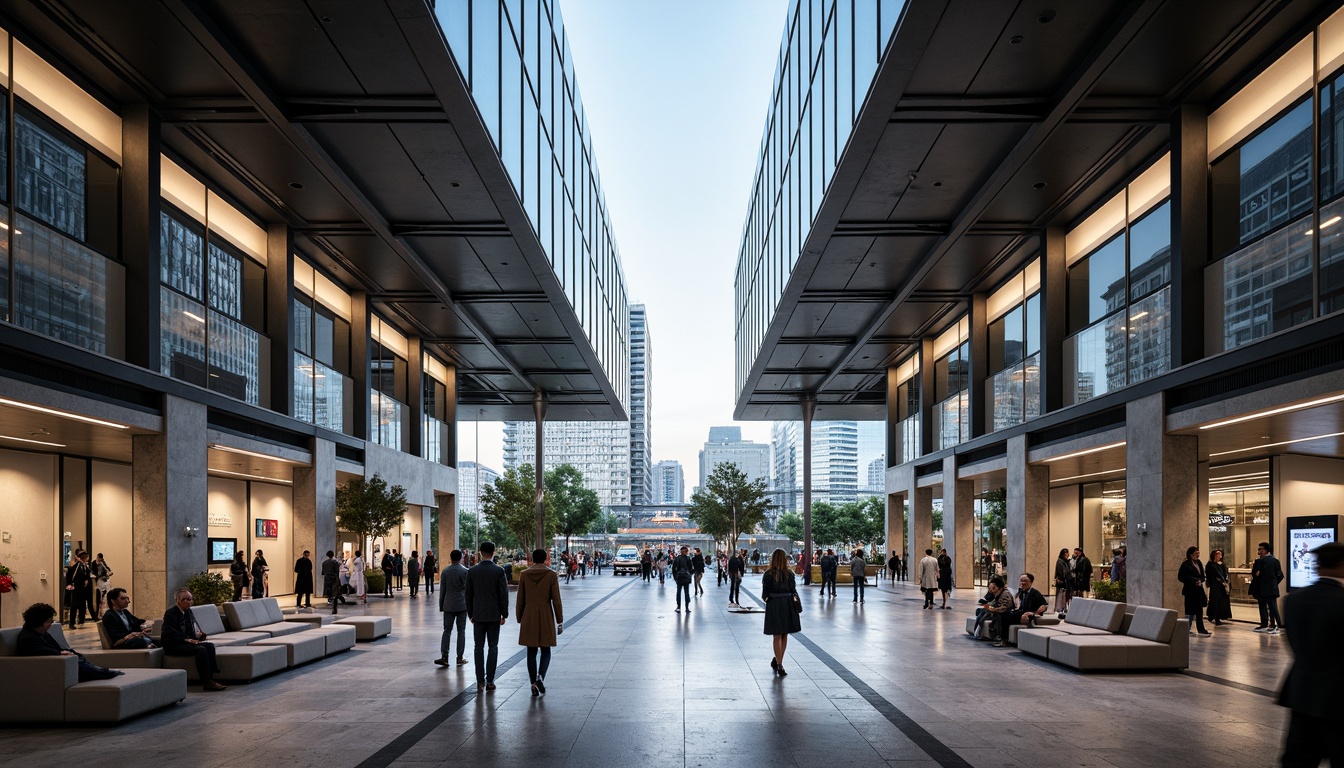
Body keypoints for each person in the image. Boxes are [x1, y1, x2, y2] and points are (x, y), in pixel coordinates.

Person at [1277, 542, 1344, 768]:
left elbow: (1296, 645)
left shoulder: (1293, 600)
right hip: (1339, 700)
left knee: (1297, 760)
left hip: (1302, 695)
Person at [18, 602, 122, 681]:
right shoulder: (28, 637)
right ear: (38, 621)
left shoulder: (42, 634)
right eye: (48, 621)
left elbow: (57, 647)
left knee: (81, 661)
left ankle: (103, 672)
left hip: (60, 663)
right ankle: (105, 673)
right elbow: (39, 651)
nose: (50, 624)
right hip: (52, 669)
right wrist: (59, 653)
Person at [516, 548, 564, 696]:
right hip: (545, 613)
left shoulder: (524, 575)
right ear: (545, 559)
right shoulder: (551, 574)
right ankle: (540, 678)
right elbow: (556, 599)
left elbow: (520, 598)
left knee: (531, 650)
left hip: (529, 614)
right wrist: (559, 620)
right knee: (545, 649)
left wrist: (519, 617)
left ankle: (532, 683)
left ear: (532, 559)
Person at [464, 541, 508, 692]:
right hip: (494, 614)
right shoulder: (499, 571)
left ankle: (479, 681)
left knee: (478, 647)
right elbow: (503, 595)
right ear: (493, 552)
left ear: (480, 552)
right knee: (493, 646)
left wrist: (471, 613)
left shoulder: (472, 571)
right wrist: (504, 613)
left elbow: (468, 595)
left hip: (478, 614)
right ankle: (490, 680)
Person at [162, 589, 226, 691]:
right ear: (177, 600)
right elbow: (169, 632)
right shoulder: (171, 613)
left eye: (190, 600)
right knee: (201, 650)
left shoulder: (188, 612)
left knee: (209, 646)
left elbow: (192, 628)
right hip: (174, 645)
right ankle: (206, 682)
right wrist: (187, 639)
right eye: (185, 599)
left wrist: (199, 636)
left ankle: (212, 676)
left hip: (187, 642)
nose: (189, 602)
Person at [762, 548, 801, 676]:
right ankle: (779, 662)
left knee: (777, 635)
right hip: (788, 604)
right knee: (784, 634)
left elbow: (765, 595)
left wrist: (770, 598)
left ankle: (778, 663)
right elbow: (793, 589)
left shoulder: (768, 574)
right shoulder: (789, 574)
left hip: (774, 604)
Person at [435, 549, 470, 667]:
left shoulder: (445, 571)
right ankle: (460, 657)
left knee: (447, 630)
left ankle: (444, 656)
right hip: (461, 604)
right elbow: (468, 590)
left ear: (450, 558)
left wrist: (441, 605)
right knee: (461, 630)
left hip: (448, 604)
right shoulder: (465, 571)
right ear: (461, 558)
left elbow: (442, 591)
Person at [999, 573, 1048, 647]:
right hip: (1022, 612)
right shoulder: (1022, 592)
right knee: (1004, 614)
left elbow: (1044, 605)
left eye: (1025, 581)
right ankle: (1001, 637)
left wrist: (1034, 613)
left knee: (1006, 617)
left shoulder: (1034, 593)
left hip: (1030, 615)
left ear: (1030, 582)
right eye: (1021, 581)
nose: (1022, 583)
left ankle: (1004, 640)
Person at [1250, 541, 1284, 634]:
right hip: (1270, 588)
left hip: (1262, 588)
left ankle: (1267, 624)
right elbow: (1280, 575)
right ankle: (1274, 625)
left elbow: (1254, 574)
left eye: (1260, 549)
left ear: (1265, 550)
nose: (1259, 551)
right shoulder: (1275, 561)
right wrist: (1274, 583)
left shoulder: (1260, 561)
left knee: (1266, 606)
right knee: (1272, 606)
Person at [1178, 546, 1211, 636]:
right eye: (1196, 554)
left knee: (1199, 611)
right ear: (1190, 554)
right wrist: (1193, 580)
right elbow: (1181, 577)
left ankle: (1201, 629)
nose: (1197, 556)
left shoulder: (1199, 563)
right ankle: (1187, 629)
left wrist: (1200, 580)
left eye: (1198, 554)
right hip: (1190, 591)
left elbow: (1202, 575)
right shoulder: (1186, 564)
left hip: (1198, 590)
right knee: (1190, 611)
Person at [63, 551, 94, 629]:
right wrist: (70, 583)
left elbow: (87, 574)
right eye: (86, 557)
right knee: (74, 606)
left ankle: (81, 620)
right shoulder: (76, 566)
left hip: (82, 589)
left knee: (82, 605)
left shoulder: (84, 566)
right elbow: (69, 575)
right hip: (76, 588)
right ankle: (71, 623)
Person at [1206, 549, 1232, 626]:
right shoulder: (1210, 564)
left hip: (1223, 586)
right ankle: (1214, 617)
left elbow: (1225, 573)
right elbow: (1210, 575)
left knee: (1222, 601)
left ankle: (1220, 616)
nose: (1219, 555)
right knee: (1215, 601)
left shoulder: (1223, 565)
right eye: (1217, 554)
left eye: (1220, 554)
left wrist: (1225, 580)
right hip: (1216, 586)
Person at [672, 545, 693, 613]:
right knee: (686, 592)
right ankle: (687, 608)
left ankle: (678, 607)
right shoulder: (688, 559)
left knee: (679, 592)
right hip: (686, 578)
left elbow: (673, 569)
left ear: (681, 552)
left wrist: (675, 577)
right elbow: (690, 569)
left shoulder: (677, 558)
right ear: (686, 552)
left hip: (679, 577)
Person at [1053, 548, 1072, 615]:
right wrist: (1061, 579)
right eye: (1067, 553)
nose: (1069, 554)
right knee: (1061, 595)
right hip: (1062, 582)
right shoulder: (1060, 561)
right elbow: (1060, 572)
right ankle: (1059, 608)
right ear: (1065, 554)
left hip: (1065, 581)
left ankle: (1063, 608)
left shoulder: (1065, 561)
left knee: (1065, 596)